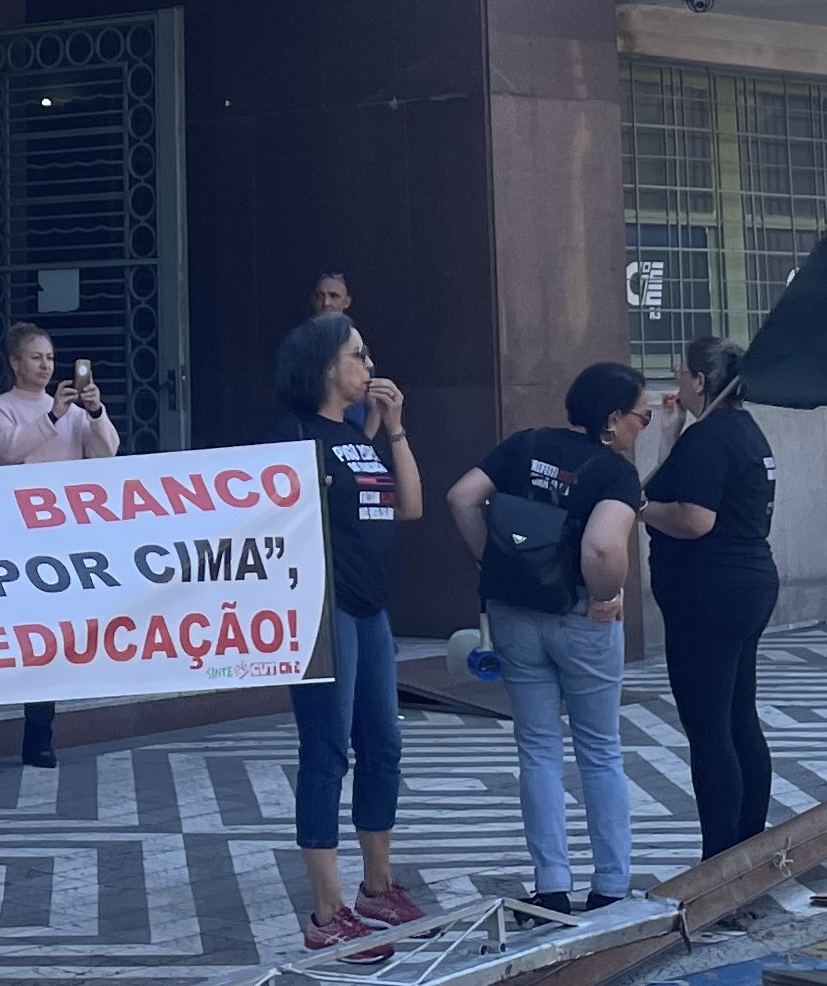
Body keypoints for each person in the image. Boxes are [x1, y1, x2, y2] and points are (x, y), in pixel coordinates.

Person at [448, 365, 645, 914]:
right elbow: (603, 550)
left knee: (537, 749)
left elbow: (463, 497)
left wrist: (497, 563)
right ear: (612, 420)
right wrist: (607, 593)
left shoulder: (524, 445)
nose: (643, 427)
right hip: (581, 617)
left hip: (514, 613)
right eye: (642, 417)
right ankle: (610, 886)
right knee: (600, 750)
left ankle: (552, 884)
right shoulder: (614, 473)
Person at [276, 313, 421, 947]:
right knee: (327, 749)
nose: (370, 366)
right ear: (326, 366)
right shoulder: (295, 435)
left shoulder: (358, 436)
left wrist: (393, 430)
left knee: (383, 743)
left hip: (371, 608)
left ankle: (378, 887)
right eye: (357, 355)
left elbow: (409, 505)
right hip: (321, 611)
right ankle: (325, 912)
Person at [641, 337, 782, 858]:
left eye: (681, 373)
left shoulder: (712, 438)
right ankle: (749, 845)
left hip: (709, 595)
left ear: (700, 380)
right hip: (746, 587)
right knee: (739, 715)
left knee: (709, 726)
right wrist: (672, 437)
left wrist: (639, 506)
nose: (676, 382)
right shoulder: (743, 432)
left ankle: (719, 858)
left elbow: (695, 518)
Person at [0, 322, 114, 777]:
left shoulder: (70, 410)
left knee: (47, 641)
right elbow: (7, 450)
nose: (45, 366)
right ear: (14, 363)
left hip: (57, 538)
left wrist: (95, 411)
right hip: (5, 539)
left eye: (50, 358)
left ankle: (39, 740)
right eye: (35, 358)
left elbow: (106, 455)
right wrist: (51, 419)